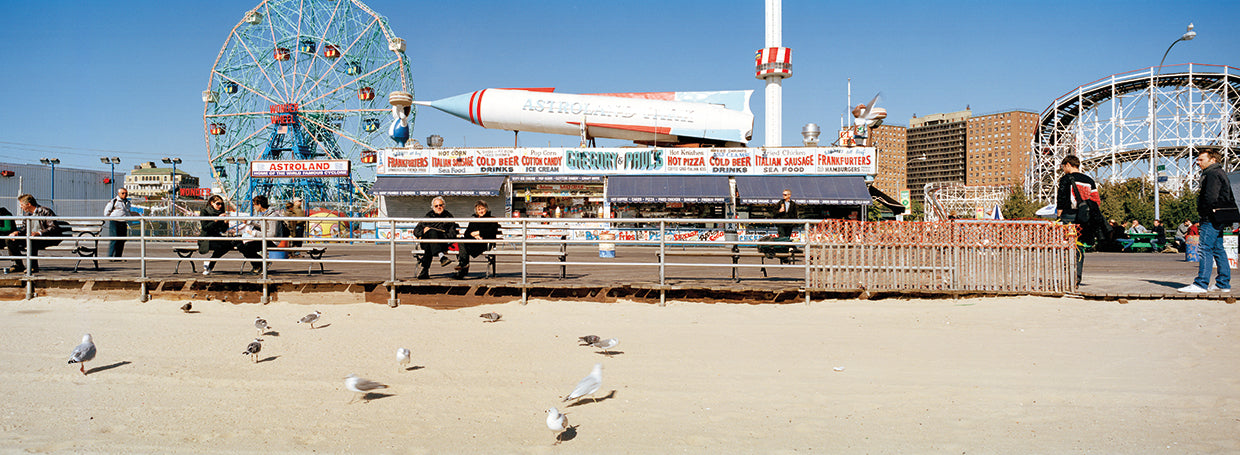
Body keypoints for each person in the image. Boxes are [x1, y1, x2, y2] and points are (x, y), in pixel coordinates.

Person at [1180, 150, 1236, 293]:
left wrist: (1204, 212)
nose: (1197, 162)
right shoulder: (1219, 172)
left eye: (1200, 160)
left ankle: (1201, 284)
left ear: (1212, 160)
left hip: (1210, 218)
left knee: (1204, 248)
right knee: (1218, 249)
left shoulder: (1212, 174)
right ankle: (1223, 283)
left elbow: (1211, 197)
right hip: (1220, 217)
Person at [1055, 155, 1101, 285]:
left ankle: (1068, 275)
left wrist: (1059, 216)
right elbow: (1096, 200)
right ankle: (1077, 276)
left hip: (1068, 216)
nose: (1063, 170)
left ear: (1068, 164)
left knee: (1066, 246)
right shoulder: (1089, 180)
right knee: (1079, 247)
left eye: (1063, 167)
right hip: (1083, 218)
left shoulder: (1065, 179)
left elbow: (1062, 199)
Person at [5, 194, 63, 273]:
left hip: (46, 237)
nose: (21, 207)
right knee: (10, 240)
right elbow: (25, 228)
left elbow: (53, 227)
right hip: (32, 237)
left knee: (32, 241)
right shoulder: (27, 214)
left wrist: (39, 233)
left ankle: (33, 267)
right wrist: (17, 232)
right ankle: (18, 264)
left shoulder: (46, 211)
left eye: (22, 205)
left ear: (28, 204)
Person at [237, 195, 286, 274]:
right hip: (264, 238)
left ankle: (259, 265)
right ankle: (259, 264)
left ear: (259, 205)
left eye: (254, 205)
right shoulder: (264, 214)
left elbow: (272, 234)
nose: (253, 207)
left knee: (248, 246)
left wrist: (254, 233)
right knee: (239, 244)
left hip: (272, 241)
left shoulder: (273, 216)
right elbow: (262, 227)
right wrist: (250, 222)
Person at [453, 200, 501, 280]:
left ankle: (462, 267)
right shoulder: (474, 220)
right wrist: (473, 235)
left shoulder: (491, 219)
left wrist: (479, 233)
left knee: (463, 246)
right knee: (462, 241)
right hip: (472, 242)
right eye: (479, 209)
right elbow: (467, 233)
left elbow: (492, 231)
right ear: (476, 211)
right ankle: (463, 265)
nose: (481, 211)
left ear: (486, 209)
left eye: (482, 209)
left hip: (483, 243)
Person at [415, 196, 459, 279]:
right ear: (432, 207)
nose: (439, 207)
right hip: (428, 243)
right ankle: (441, 256)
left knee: (431, 237)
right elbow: (416, 231)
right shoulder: (428, 217)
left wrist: (440, 234)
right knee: (431, 234)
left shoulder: (448, 217)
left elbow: (452, 234)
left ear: (444, 206)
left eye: (440, 205)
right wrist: (423, 231)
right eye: (436, 206)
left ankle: (425, 270)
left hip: (442, 243)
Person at [198, 195, 234, 275]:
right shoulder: (205, 211)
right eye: (218, 204)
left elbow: (223, 230)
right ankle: (210, 265)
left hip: (216, 237)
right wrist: (216, 220)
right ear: (212, 203)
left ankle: (210, 263)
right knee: (223, 245)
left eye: (221, 204)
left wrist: (225, 223)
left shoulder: (221, 213)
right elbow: (205, 227)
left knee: (228, 244)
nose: (220, 206)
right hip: (206, 238)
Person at [102, 188, 136, 258]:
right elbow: (106, 212)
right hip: (115, 222)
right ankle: (110, 256)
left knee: (122, 240)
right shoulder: (114, 201)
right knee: (114, 239)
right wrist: (111, 218)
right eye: (123, 193)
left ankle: (118, 256)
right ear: (119, 193)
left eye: (126, 193)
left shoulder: (128, 202)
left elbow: (127, 211)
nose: (124, 195)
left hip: (123, 222)